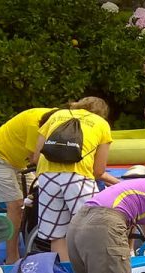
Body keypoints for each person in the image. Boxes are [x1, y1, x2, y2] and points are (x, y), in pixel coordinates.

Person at [29, 97, 119, 261]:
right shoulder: (101, 123)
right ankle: (93, 272)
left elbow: (36, 157)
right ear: (102, 112)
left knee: (57, 235)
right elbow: (98, 171)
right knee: (93, 229)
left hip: (47, 176)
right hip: (78, 177)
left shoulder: (56, 115)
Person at [0, 106, 54, 263]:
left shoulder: (57, 117)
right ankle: (11, 257)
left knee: (34, 195)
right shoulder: (37, 124)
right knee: (16, 204)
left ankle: (29, 241)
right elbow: (35, 159)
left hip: (18, 160)